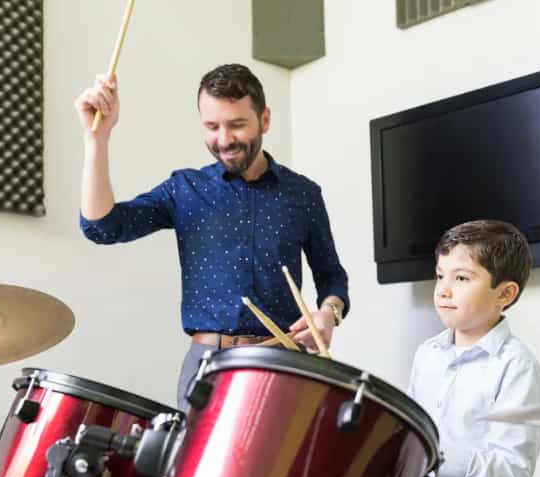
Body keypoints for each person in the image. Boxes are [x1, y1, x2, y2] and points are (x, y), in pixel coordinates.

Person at [74, 64, 349, 409]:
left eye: (236, 124)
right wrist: (96, 139)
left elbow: (332, 277)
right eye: (211, 126)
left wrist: (328, 313)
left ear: (264, 119)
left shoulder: (303, 195)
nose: (223, 139)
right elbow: (102, 227)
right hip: (207, 364)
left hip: (283, 362)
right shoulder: (185, 189)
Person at [407, 219, 540, 477]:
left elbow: (513, 475)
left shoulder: (517, 366)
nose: (443, 289)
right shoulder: (427, 355)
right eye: (440, 275)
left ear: (505, 294)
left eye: (462, 278)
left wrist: (432, 456)